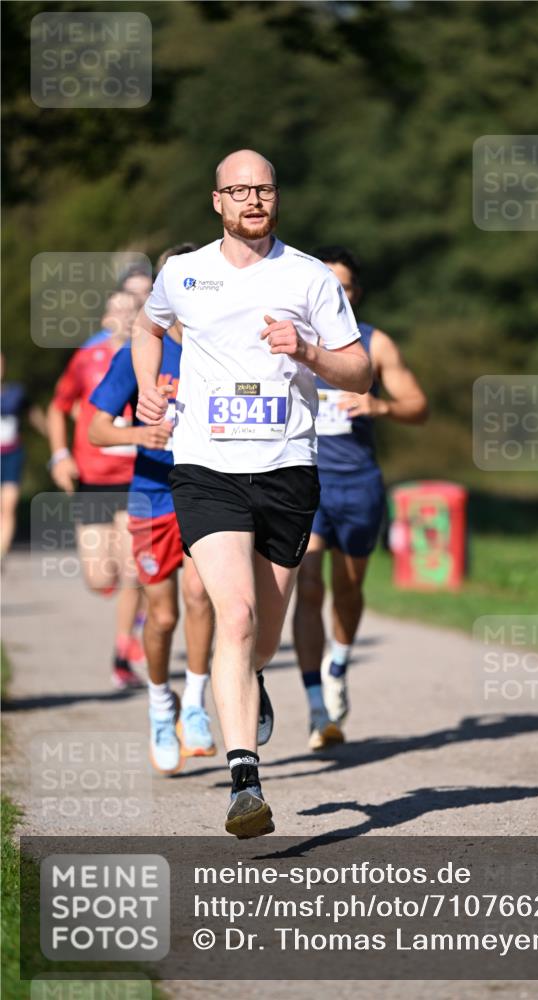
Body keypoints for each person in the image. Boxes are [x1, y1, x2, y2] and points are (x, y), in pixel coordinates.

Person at [131, 149, 371, 838]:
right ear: (217, 201)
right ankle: (245, 782)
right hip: (206, 468)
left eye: (262, 189)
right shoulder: (184, 272)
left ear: (276, 197)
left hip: (288, 468)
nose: (251, 201)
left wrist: (307, 352)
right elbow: (148, 325)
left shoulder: (308, 279)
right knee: (231, 615)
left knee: (261, 634)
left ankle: (251, 679)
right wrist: (149, 382)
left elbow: (355, 371)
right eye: (238, 191)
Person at [293, 246, 428, 747]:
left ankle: (338, 664)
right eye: (327, 283)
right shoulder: (291, 339)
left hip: (359, 484)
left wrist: (380, 406)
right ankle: (314, 707)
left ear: (355, 293)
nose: (335, 291)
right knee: (309, 587)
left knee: (348, 589)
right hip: (304, 482)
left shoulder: (375, 343)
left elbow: (419, 407)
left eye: (344, 286)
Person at [89, 243, 217, 775]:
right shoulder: (141, 351)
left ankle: (196, 704)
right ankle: (161, 707)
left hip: (211, 491)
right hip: (152, 495)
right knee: (162, 615)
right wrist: (144, 432)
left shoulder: (223, 346)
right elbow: (96, 429)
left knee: (201, 594)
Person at [47, 290, 145, 690]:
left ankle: (123, 651)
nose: (123, 316)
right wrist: (59, 456)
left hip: (135, 476)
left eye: (131, 309)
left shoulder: (149, 356)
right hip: (92, 478)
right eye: (117, 309)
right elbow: (59, 405)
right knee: (99, 577)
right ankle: (135, 616)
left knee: (133, 572)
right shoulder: (87, 358)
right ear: (105, 317)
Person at [0, 353, 47, 558]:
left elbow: (34, 415)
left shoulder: (16, 393)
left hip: (11, 456)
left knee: (8, 505)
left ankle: (1, 553)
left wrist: (53, 434)